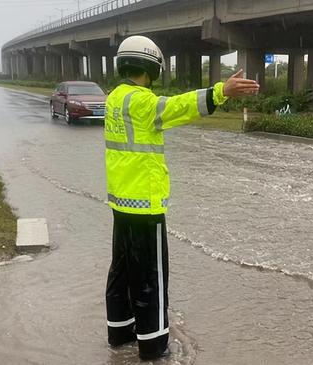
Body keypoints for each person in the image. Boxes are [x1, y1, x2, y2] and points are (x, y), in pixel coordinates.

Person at [104, 35, 260, 360]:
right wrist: (221, 92)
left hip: (121, 204)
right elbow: (179, 107)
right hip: (146, 206)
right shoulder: (142, 103)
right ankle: (154, 346)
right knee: (151, 279)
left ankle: (120, 333)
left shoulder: (114, 98)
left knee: (122, 272)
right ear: (151, 66)